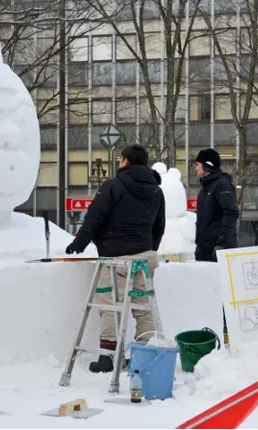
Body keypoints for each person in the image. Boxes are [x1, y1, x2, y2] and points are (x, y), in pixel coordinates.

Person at [65, 144, 166, 373]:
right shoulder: (156, 191)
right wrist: (148, 249)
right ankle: (144, 356)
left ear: (126, 161)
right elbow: (159, 226)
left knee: (109, 304)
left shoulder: (113, 186)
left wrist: (77, 245)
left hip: (116, 259)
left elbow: (93, 219)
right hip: (145, 257)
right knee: (142, 307)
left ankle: (109, 358)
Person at [193, 148, 238, 262]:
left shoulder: (222, 185)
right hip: (206, 252)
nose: (196, 168)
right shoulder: (204, 189)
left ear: (207, 166)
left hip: (219, 252)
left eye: (198, 164)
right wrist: (200, 246)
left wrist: (222, 244)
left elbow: (231, 214)